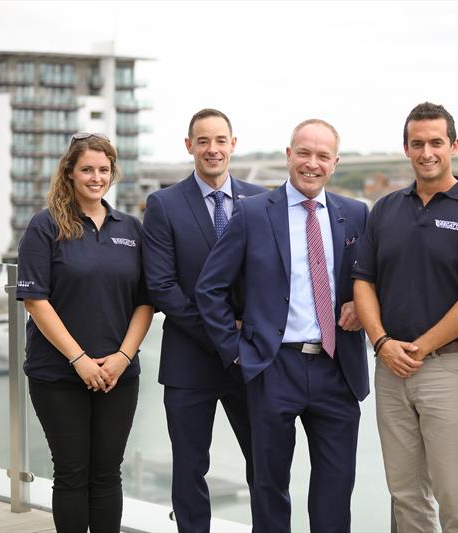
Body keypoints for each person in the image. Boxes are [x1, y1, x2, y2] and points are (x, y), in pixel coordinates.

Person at [195, 119, 369, 533]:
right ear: (289, 155)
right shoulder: (253, 213)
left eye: (322, 156)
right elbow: (210, 288)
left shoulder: (356, 214)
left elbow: (374, 281)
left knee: (336, 486)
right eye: (304, 153)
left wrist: (364, 308)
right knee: (270, 486)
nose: (312, 163)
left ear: (335, 163)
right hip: (273, 367)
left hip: (337, 367)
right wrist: (236, 350)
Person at [353, 102, 458, 532]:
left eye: (436, 142)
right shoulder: (385, 209)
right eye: (417, 143)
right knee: (405, 497)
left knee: (455, 499)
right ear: (406, 148)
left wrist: (420, 346)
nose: (427, 152)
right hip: (390, 367)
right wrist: (381, 342)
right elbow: (363, 281)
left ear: (454, 145)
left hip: (449, 368)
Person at [16, 133, 153, 533]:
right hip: (57, 374)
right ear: (70, 173)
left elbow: (145, 302)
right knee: (73, 473)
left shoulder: (130, 228)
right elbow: (35, 301)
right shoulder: (45, 227)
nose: (96, 177)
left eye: (103, 170)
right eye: (87, 169)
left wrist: (122, 358)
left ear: (113, 174)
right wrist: (79, 360)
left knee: (108, 474)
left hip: (117, 375)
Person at [142, 108, 265, 532]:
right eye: (203, 141)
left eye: (220, 140)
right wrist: (220, 335)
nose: (213, 149)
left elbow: (273, 276)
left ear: (234, 144)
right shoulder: (163, 204)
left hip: (250, 360)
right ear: (189, 145)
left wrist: (245, 337)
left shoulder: (261, 198)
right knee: (190, 468)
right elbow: (162, 288)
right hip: (189, 360)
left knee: (264, 463)